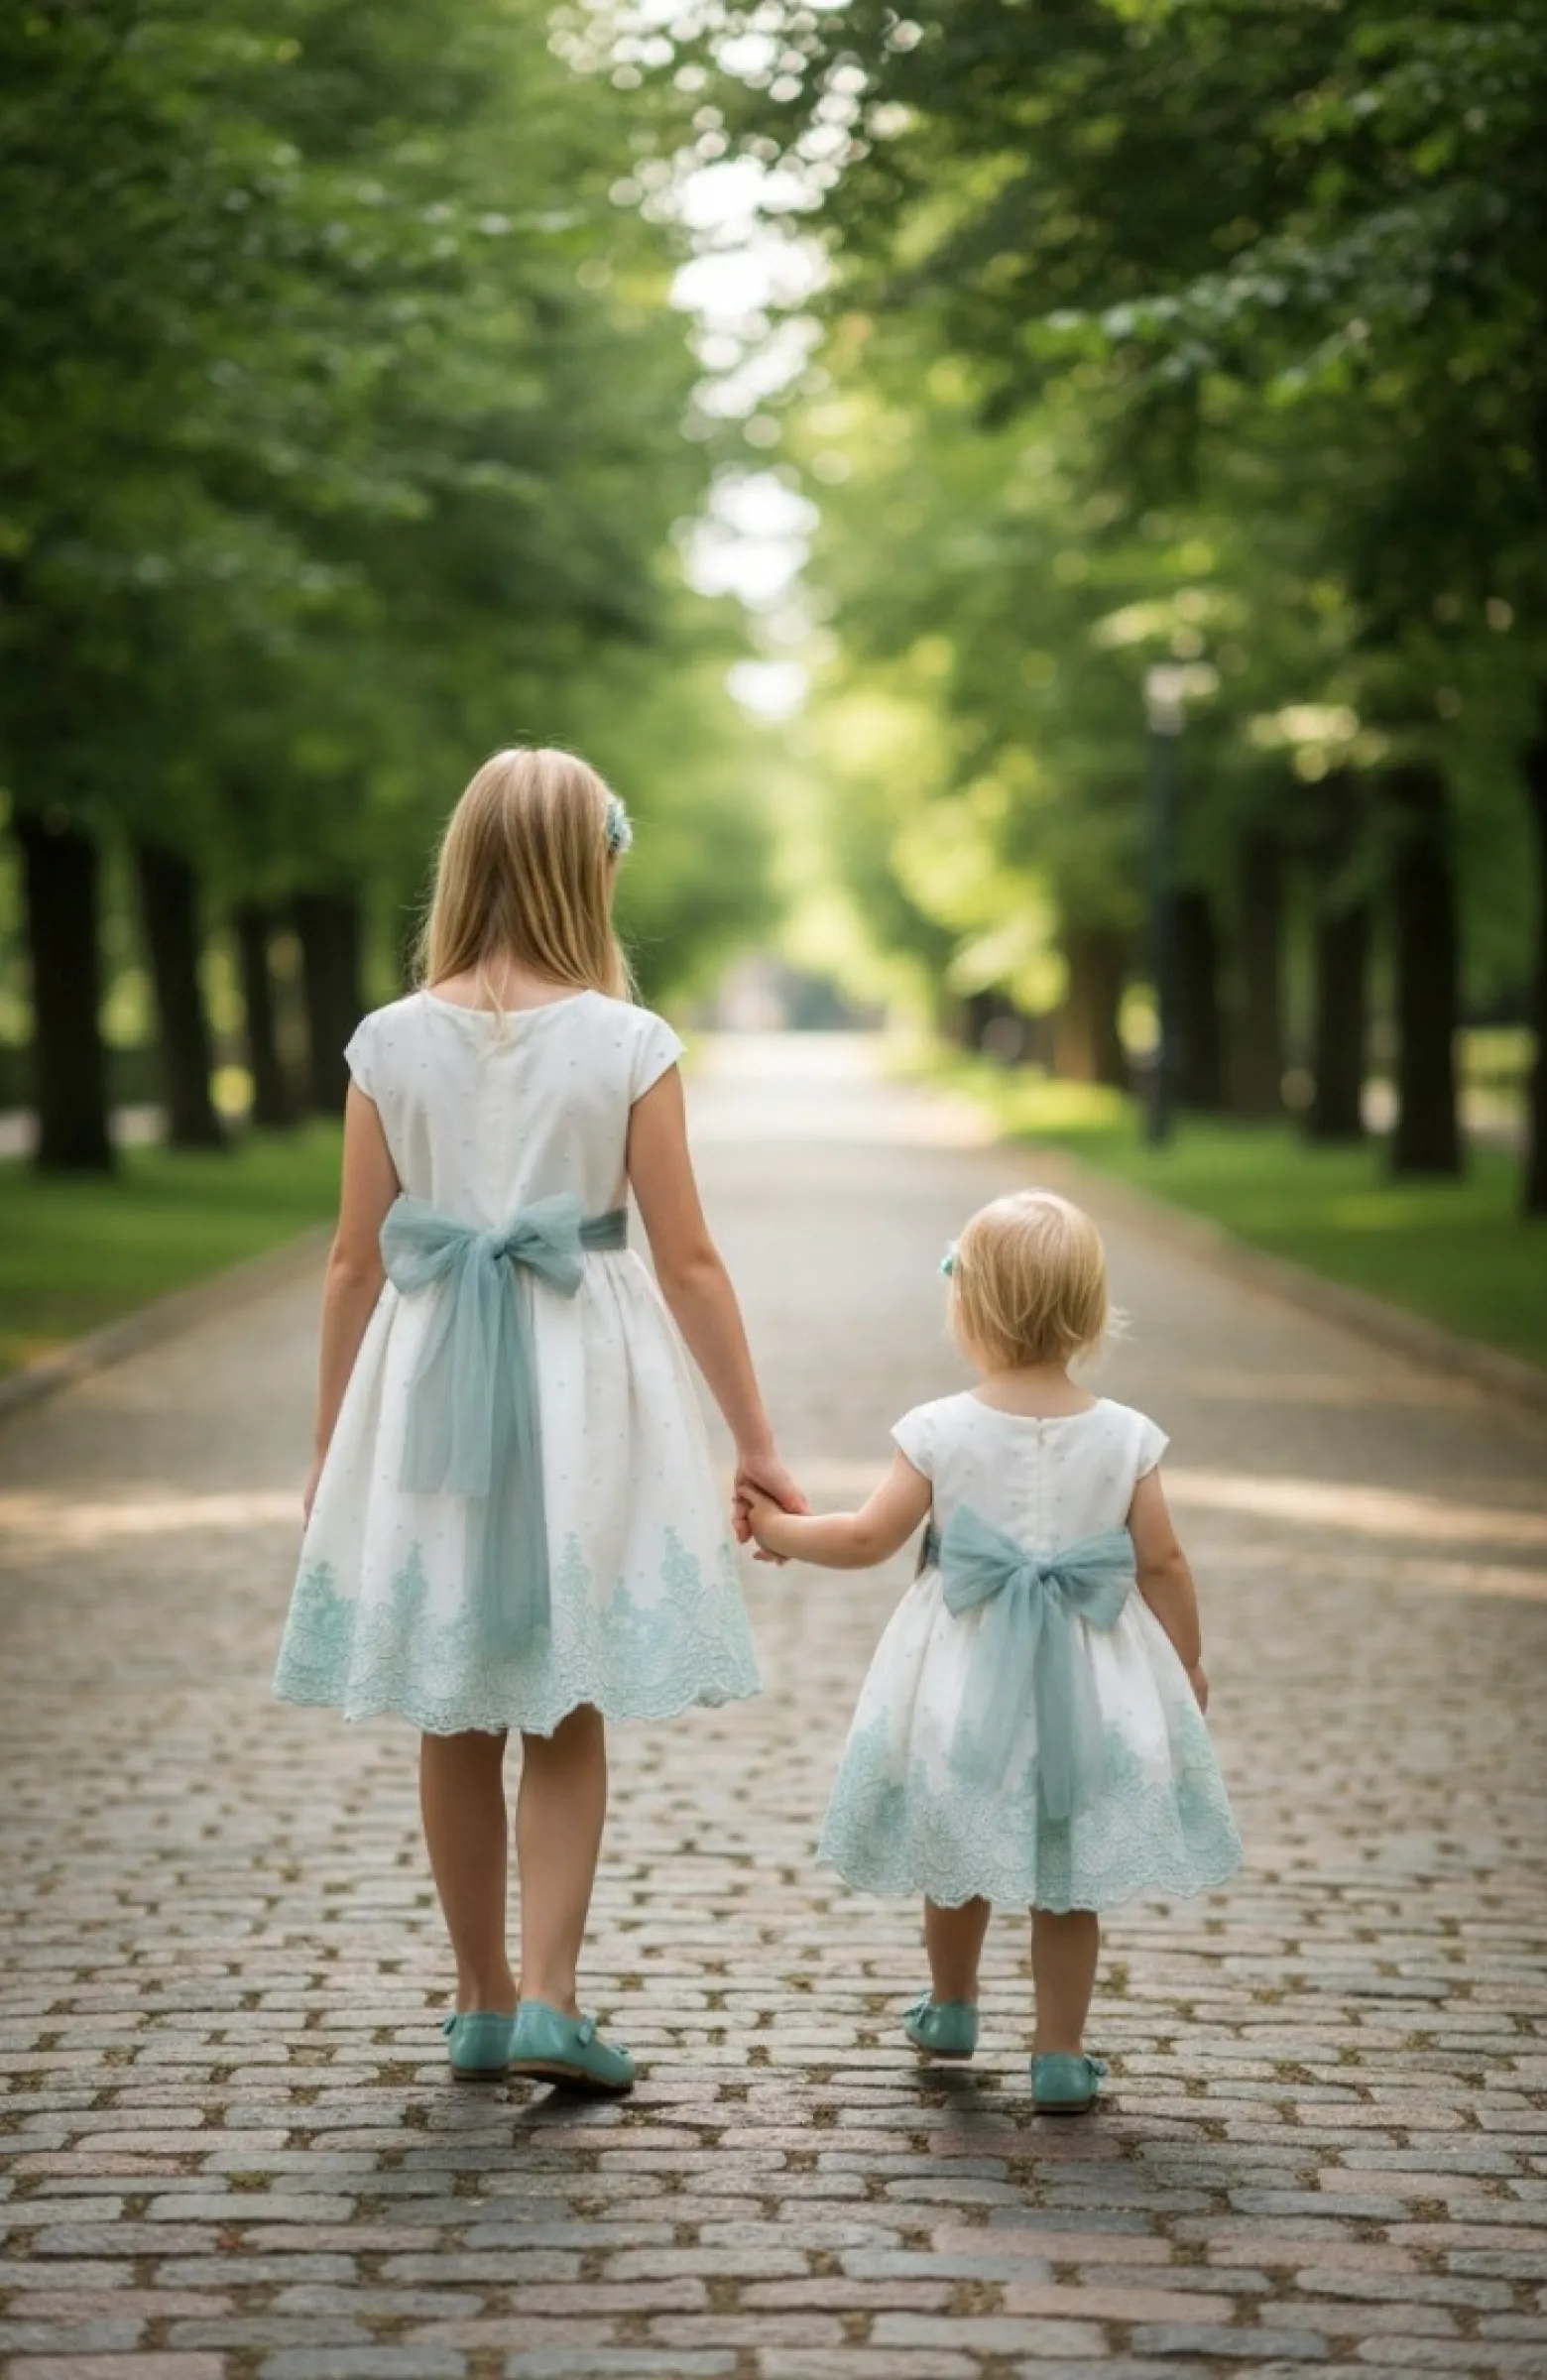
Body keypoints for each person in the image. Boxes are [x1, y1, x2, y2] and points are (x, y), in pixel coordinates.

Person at [274, 747, 802, 2092]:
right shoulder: (628, 1043)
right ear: (592, 870)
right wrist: (756, 1440)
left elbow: (353, 1258)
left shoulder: (390, 1041)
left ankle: (478, 1998)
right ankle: (556, 1994)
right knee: (565, 1702)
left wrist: (335, 1442)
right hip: (586, 1389)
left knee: (454, 1707)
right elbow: (687, 1261)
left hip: (433, 1372)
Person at [742, 1188, 1242, 2112]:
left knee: (961, 1844)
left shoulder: (939, 1429)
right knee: (1068, 1873)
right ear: (1089, 1311)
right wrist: (1188, 1659)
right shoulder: (1127, 1437)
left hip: (962, 1679)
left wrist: (778, 1527)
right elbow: (1163, 1561)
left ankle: (952, 2006)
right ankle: (1058, 2054)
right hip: (1091, 1680)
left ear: (965, 1307)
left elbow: (864, 1539)